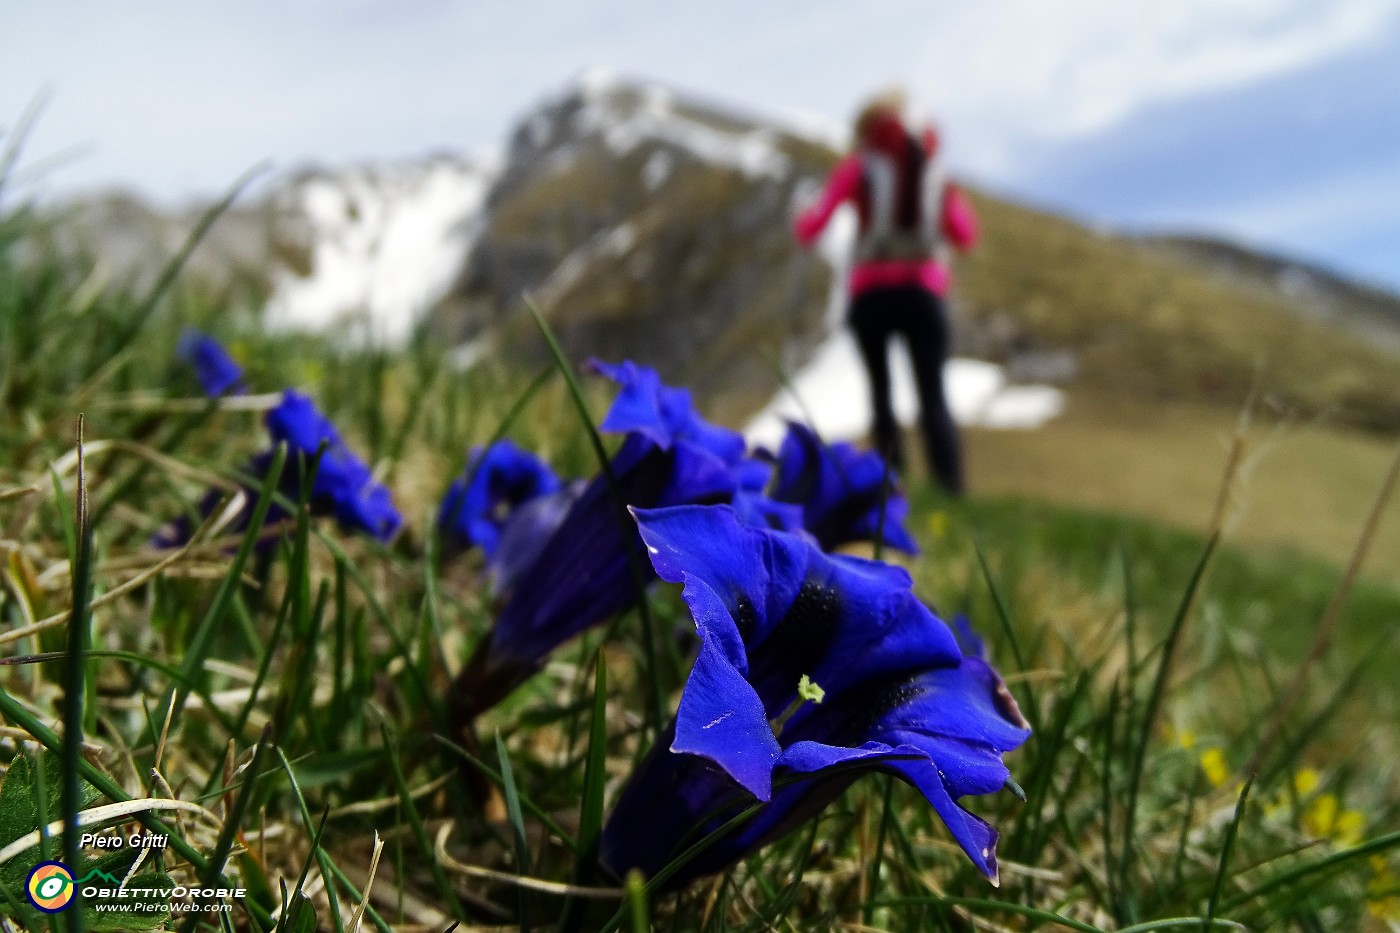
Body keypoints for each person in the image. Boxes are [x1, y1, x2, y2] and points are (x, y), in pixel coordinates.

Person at [794, 91, 979, 496]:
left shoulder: (858, 167)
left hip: (872, 295)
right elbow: (966, 235)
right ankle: (951, 491)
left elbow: (811, 226)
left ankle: (890, 493)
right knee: (933, 394)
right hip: (924, 293)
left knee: (881, 393)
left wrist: (806, 219)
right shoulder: (932, 168)